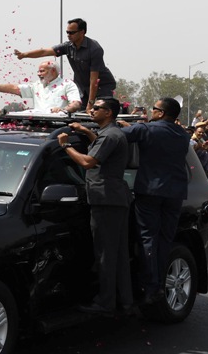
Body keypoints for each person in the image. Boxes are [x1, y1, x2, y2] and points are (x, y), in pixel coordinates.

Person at [58, 97, 132, 315]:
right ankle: (125, 301)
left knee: (105, 254)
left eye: (96, 108)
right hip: (113, 199)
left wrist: (66, 145)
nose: (91, 111)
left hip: (107, 201)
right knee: (117, 254)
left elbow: (87, 162)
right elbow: (98, 147)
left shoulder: (110, 136)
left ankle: (105, 301)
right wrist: (84, 131)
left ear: (108, 113)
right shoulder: (111, 134)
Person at [118, 97, 190, 304]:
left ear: (161, 113)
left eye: (154, 109)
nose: (151, 112)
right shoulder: (183, 135)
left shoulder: (146, 130)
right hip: (175, 193)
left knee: (148, 238)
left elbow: (114, 136)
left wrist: (129, 126)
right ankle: (159, 285)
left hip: (150, 192)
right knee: (164, 240)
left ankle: (151, 287)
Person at [14, 18, 116, 111]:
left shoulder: (94, 49)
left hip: (102, 86)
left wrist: (91, 104)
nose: (68, 35)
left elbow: (94, 80)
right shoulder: (68, 46)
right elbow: (44, 51)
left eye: (72, 32)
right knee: (80, 113)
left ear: (82, 32)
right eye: (67, 32)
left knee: (101, 111)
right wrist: (24, 54)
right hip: (82, 87)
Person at [0, 60, 81, 114]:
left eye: (42, 71)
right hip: (38, 125)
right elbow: (14, 88)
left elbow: (76, 103)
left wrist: (63, 110)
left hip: (58, 127)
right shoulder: (37, 85)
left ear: (53, 71)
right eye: (38, 71)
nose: (38, 74)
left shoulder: (68, 84)